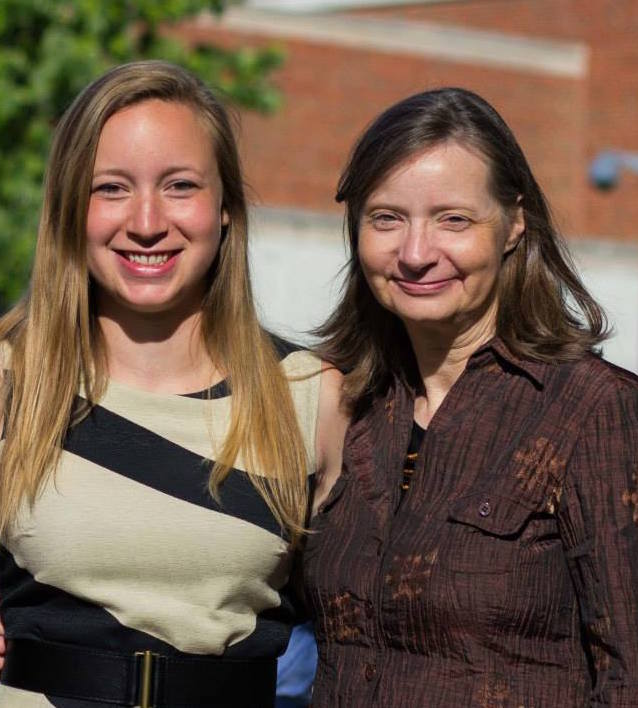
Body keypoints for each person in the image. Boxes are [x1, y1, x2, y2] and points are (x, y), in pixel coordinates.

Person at [0, 61, 345, 707]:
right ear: (71, 208)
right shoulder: (8, 378)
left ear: (226, 211)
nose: (148, 221)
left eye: (180, 185)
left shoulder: (312, 396)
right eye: (111, 188)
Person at [304, 87, 638, 706]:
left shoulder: (594, 410)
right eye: (386, 218)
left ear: (514, 224)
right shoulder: (345, 405)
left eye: (453, 219)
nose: (415, 253)